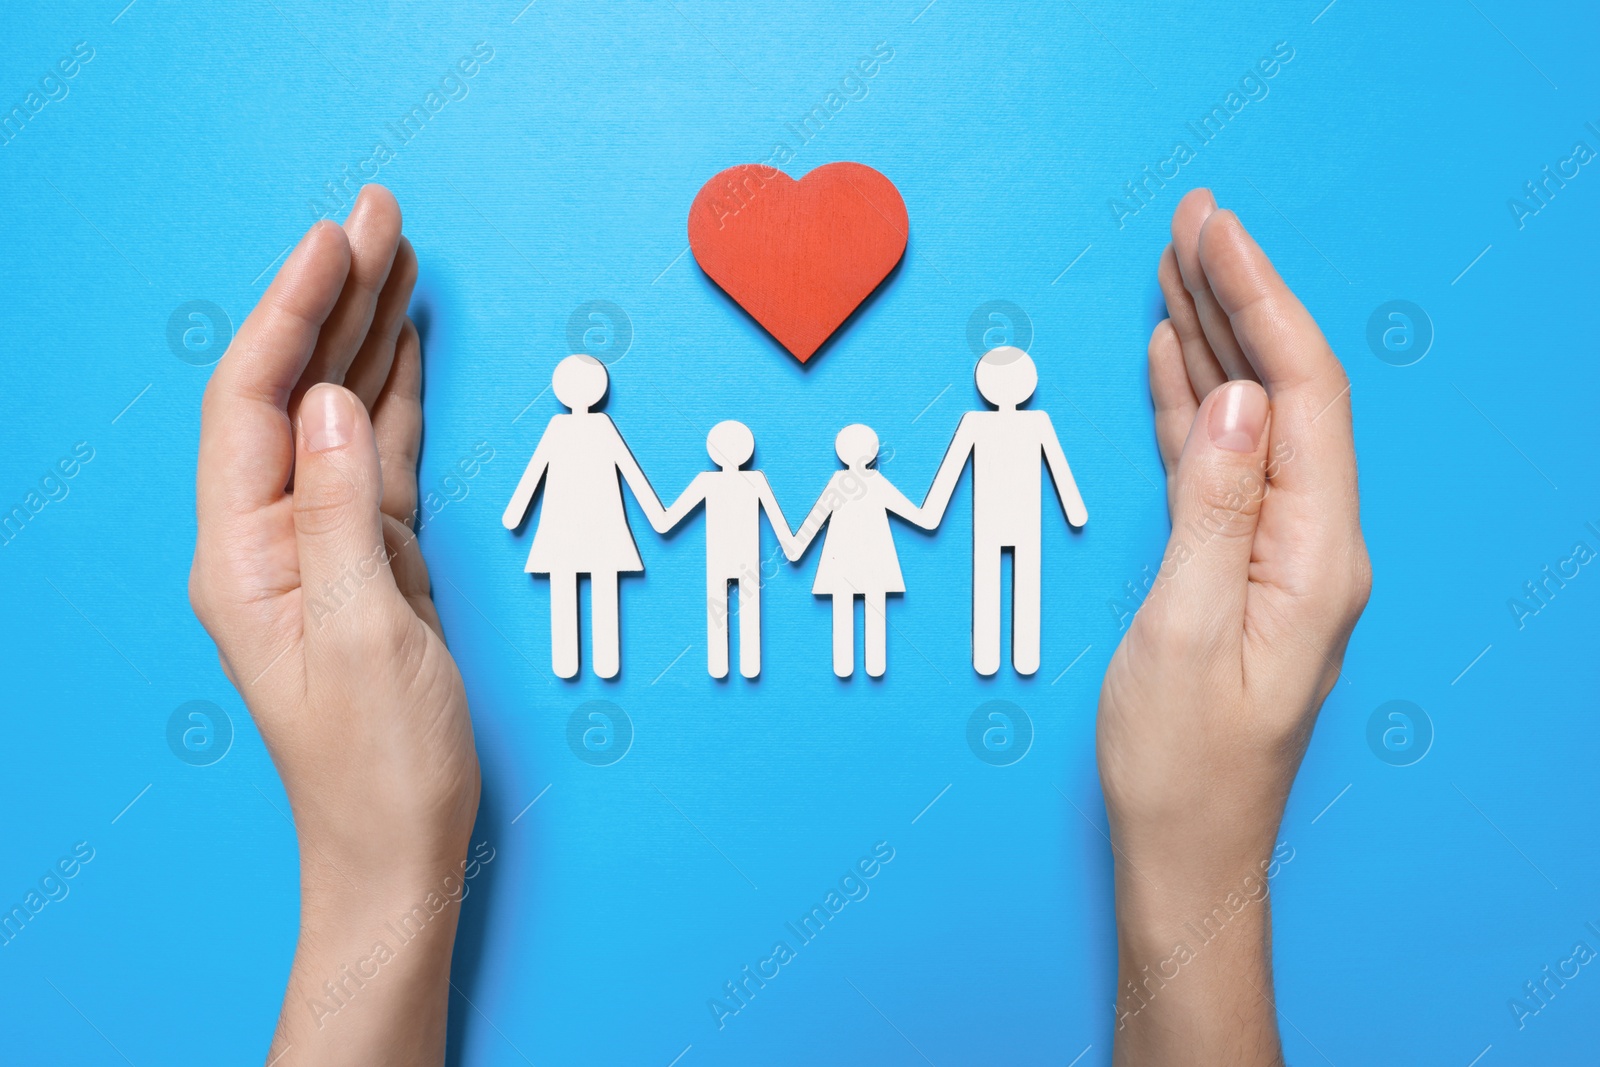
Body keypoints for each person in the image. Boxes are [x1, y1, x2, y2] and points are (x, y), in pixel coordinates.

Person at [189, 184, 1368, 1066]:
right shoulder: (608, 440)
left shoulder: (936, 441)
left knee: (909, 603)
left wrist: (375, 880)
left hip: (801, 548)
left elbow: (946, 484)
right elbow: (707, 499)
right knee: (705, 601)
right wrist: (1202, 870)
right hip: (641, 546)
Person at [921, 345, 1088, 675]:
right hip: (1008, 521)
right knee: (1014, 579)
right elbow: (954, 467)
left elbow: (1056, 465)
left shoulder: (992, 422)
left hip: (1003, 521)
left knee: (997, 580)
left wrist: (932, 511)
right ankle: (1006, 658)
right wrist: (1073, 509)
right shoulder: (1019, 422)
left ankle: (1004, 658)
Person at [502, 354, 666, 679]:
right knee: (592, 583)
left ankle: (589, 662)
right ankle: (591, 662)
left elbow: (536, 473)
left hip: (578, 530)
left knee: (578, 583)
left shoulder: (577, 427)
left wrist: (516, 512)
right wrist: (655, 512)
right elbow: (630, 473)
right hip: (589, 529)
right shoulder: (578, 427)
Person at [654, 419, 799, 679]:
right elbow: (782, 528)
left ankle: (726, 665)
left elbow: (666, 521)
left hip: (729, 558)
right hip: (742, 559)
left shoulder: (714, 482)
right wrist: (795, 546)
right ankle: (743, 665)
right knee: (744, 608)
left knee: (720, 610)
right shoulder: (752, 481)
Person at [788, 423, 935, 678]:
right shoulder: (869, 481)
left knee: (847, 607)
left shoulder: (842, 483)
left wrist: (794, 545)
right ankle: (868, 665)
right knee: (871, 606)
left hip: (846, 563)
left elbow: (812, 524)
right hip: (870, 562)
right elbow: (919, 517)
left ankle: (850, 666)